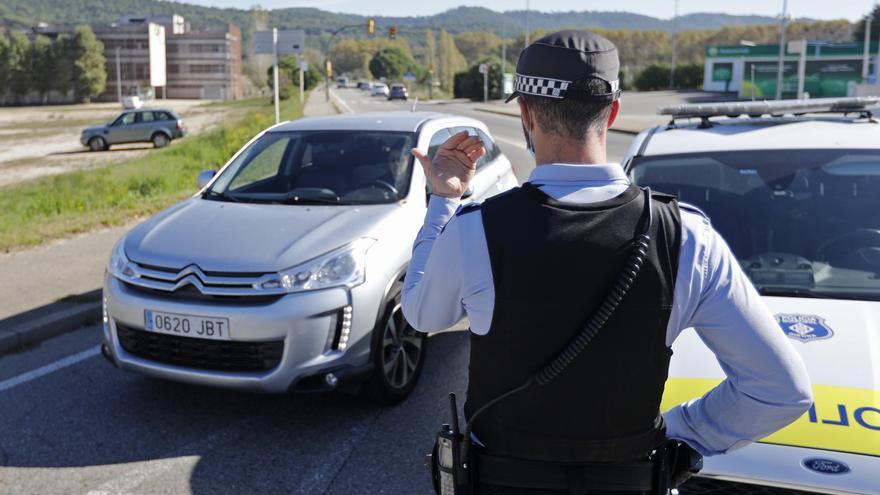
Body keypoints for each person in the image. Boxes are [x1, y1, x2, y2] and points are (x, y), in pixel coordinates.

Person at [403, 31, 813, 494]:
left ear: (526, 113)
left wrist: (444, 200)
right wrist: (674, 434)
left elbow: (422, 314)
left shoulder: (474, 229)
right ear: (612, 111)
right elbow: (781, 391)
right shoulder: (687, 236)